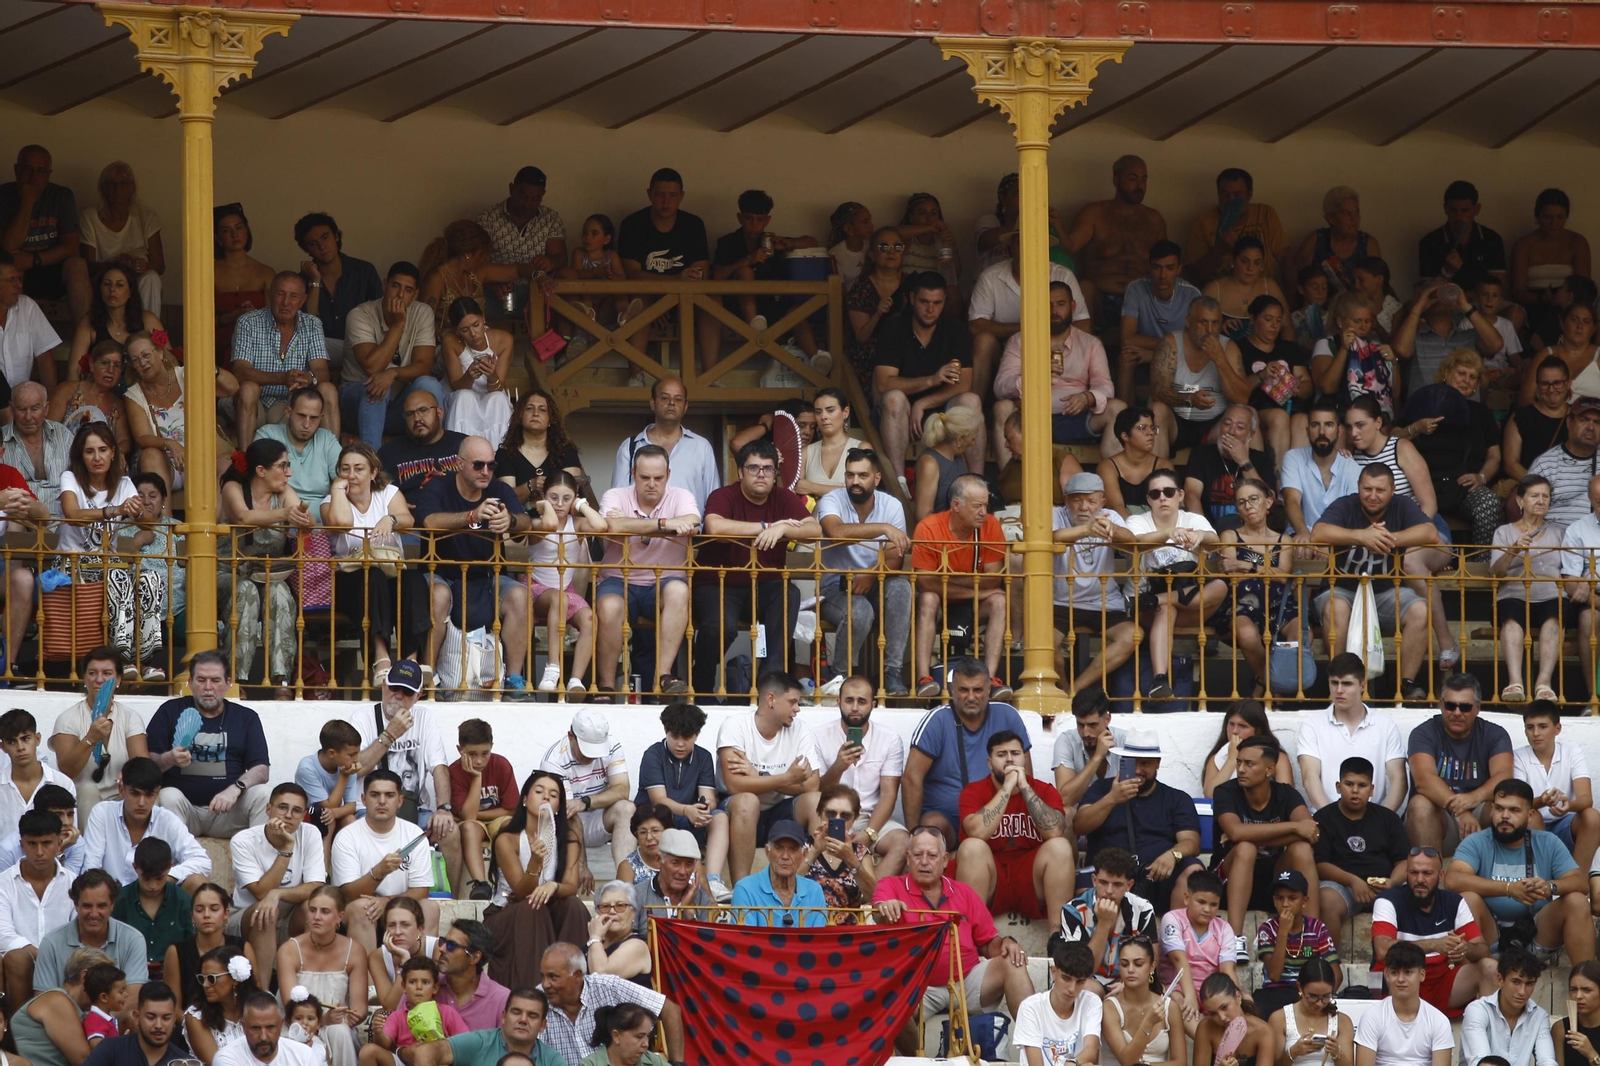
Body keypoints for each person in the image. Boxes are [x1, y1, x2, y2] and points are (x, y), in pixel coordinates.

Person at [873, 827, 1036, 1055]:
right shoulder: (891, 886)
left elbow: (989, 943)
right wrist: (885, 907)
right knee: (888, 1000)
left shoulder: (964, 892)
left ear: (945, 859)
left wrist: (1006, 942)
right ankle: (920, 1061)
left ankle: (1039, 1051)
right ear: (908, 858)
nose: (924, 862)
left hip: (966, 980)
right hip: (917, 985)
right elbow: (879, 911)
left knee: (1013, 961)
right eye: (918, 855)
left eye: (932, 855)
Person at [692, 441, 820, 698]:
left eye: (768, 469)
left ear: (775, 474)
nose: (761, 474)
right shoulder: (723, 495)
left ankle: (769, 682)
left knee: (789, 593)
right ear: (740, 472)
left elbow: (814, 530)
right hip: (720, 582)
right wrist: (767, 526)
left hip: (764, 586)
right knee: (721, 628)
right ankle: (702, 683)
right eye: (753, 468)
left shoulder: (784, 497)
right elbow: (715, 527)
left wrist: (783, 529)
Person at [415, 436, 534, 697]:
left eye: (492, 466)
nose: (487, 472)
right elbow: (429, 521)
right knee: (439, 595)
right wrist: (472, 516)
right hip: (441, 575)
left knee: (519, 595)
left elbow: (526, 522)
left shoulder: (499, 490)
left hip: (487, 577)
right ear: (459, 464)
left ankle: (514, 678)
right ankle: (428, 675)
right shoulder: (438, 487)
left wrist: (510, 520)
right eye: (479, 465)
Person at [1311, 464, 1435, 701]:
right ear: (1358, 487)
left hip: (1384, 592)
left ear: (1393, 490)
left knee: (1421, 610)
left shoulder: (1402, 505)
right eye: (1367, 489)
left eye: (1380, 490)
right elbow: (1318, 533)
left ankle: (1405, 685)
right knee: (1336, 607)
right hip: (1342, 589)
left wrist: (1387, 538)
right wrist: (1361, 536)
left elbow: (1430, 533)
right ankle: (1341, 683)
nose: (1373, 495)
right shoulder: (1346, 504)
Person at [1447, 778, 1593, 963]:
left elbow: (1579, 881)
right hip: (1490, 937)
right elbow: (1453, 880)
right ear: (1492, 810)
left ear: (1530, 815)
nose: (1505, 816)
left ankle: (1587, 983)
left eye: (1514, 810)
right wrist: (1509, 888)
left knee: (1577, 901)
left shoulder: (1547, 841)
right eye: (1499, 808)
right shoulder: (1476, 841)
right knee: (1467, 898)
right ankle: (1468, 984)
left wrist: (1550, 887)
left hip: (1536, 933)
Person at [58, 421, 161, 669]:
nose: (97, 457)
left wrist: (137, 511)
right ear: (80, 456)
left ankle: (143, 657)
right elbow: (71, 512)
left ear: (113, 452)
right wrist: (115, 509)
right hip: (73, 563)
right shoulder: (70, 477)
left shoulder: (124, 483)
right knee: (119, 575)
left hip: (109, 564)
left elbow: (148, 525)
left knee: (152, 578)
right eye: (89, 451)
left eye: (103, 450)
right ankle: (121, 657)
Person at [322, 444, 428, 683]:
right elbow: (341, 522)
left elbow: (407, 519)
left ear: (373, 472)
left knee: (414, 580)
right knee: (373, 577)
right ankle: (381, 657)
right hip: (351, 581)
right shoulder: (331, 501)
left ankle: (412, 660)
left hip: (390, 573)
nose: (351, 475)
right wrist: (338, 489)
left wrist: (389, 519)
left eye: (359, 469)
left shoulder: (388, 493)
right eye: (345, 469)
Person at [815, 448, 911, 695]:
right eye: (850, 475)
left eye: (862, 475)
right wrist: (884, 528)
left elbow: (895, 560)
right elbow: (836, 532)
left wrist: (870, 573)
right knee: (860, 610)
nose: (854, 482)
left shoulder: (891, 505)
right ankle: (841, 678)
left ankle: (893, 673)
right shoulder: (832, 500)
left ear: (877, 479)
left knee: (901, 587)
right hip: (835, 589)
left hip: (875, 581)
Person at [1073, 730, 1202, 912]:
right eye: (1132, 762)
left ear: (1157, 763)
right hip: (1110, 876)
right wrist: (1112, 798)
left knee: (1193, 870)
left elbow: (1192, 842)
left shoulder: (1176, 798)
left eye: (1145, 764)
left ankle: (1175, 934)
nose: (1138, 770)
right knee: (1087, 883)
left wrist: (1173, 855)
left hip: (1156, 877)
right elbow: (1079, 826)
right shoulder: (1103, 788)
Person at [992, 281, 1121, 463]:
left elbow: (1105, 386)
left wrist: (1086, 398)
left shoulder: (1090, 343)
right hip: (1029, 417)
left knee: (1117, 408)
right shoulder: (1019, 341)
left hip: (1075, 418)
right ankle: (1008, 481)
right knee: (1002, 407)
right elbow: (1001, 386)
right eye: (1048, 305)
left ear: (1072, 306)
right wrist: (1035, 374)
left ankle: (1111, 482)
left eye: (1061, 304)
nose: (1054, 311)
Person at [904, 657, 1030, 844]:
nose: (971, 697)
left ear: (989, 689)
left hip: (997, 816)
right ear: (953, 690)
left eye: (978, 690)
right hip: (949, 821)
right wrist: (914, 836)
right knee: (931, 825)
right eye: (964, 690)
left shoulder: (1008, 716)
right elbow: (911, 779)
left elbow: (1025, 776)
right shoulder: (936, 721)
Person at [145, 650, 270, 837]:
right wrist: (169, 758)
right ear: (190, 683)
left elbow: (261, 769)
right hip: (185, 811)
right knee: (167, 795)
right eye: (201, 680)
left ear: (228, 683)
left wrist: (236, 789)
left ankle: (257, 863)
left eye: (216, 680)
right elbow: (147, 764)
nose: (208, 687)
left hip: (228, 812)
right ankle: (173, 864)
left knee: (263, 794)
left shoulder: (246, 718)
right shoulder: (170, 711)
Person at [956, 731, 1073, 932]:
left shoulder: (1044, 790)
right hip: (990, 877)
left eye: (1015, 753)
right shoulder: (973, 791)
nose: (1010, 759)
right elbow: (977, 833)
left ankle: (1058, 938)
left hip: (1031, 878)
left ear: (1024, 759)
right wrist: (1008, 786)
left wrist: (1024, 786)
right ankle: (970, 938)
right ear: (989, 763)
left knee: (1060, 847)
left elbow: (1054, 831)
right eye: (1001, 755)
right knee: (972, 847)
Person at [873, 271, 983, 486]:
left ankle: (977, 480)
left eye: (937, 303)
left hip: (942, 413)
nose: (931, 309)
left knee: (971, 400)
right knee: (894, 397)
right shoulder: (894, 328)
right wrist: (931, 380)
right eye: (924, 302)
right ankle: (899, 482)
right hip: (898, 416)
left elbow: (965, 383)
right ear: (912, 299)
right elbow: (884, 383)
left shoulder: (954, 330)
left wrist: (924, 402)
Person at [482, 773, 587, 991]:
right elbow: (521, 893)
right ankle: (535, 992)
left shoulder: (568, 840)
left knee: (574, 905)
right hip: (507, 913)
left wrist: (553, 886)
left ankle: (575, 985)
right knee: (533, 906)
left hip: (544, 909)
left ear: (559, 806)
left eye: (553, 794)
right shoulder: (507, 838)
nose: (545, 797)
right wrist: (535, 862)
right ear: (524, 799)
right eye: (539, 791)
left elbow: (571, 885)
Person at [215, 439, 306, 691]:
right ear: (261, 471)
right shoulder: (233, 487)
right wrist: (286, 515)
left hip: (270, 576)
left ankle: (282, 680)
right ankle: (236, 679)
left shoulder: (284, 492)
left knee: (281, 594)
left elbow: (300, 514)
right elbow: (243, 516)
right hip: (228, 572)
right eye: (283, 466)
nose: (289, 472)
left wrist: (302, 518)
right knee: (246, 591)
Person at [911, 473, 1011, 697]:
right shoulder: (929, 528)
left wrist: (947, 578)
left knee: (999, 600)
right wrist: (976, 588)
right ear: (956, 505)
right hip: (939, 603)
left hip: (973, 603)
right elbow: (925, 582)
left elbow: (994, 578)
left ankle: (990, 680)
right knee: (928, 598)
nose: (983, 512)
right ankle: (923, 678)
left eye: (985, 505)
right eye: (977, 506)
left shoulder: (991, 525)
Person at [715, 670, 819, 881]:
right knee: (747, 800)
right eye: (792, 702)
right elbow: (735, 785)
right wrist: (787, 778)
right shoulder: (735, 726)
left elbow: (812, 786)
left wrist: (758, 775)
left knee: (815, 801)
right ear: (771, 699)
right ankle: (741, 889)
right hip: (737, 810)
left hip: (780, 810)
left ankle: (818, 884)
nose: (797, 709)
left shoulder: (800, 730)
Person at [702, 189, 824, 368]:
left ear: (767, 220)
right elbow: (717, 275)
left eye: (760, 220)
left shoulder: (771, 242)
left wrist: (790, 243)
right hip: (735, 311)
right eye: (749, 218)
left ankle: (816, 359)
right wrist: (748, 260)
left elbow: (813, 242)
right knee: (745, 272)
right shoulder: (728, 242)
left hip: (770, 307)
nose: (754, 225)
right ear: (739, 218)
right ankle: (754, 327)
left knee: (797, 310)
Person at [1050, 470, 1136, 720]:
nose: (1084, 506)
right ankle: (1064, 688)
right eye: (1076, 500)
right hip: (1060, 603)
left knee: (1132, 636)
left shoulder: (1110, 517)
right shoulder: (1055, 514)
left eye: (1091, 500)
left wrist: (1113, 530)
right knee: (1044, 644)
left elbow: (1131, 540)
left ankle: (1074, 692)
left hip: (1103, 602)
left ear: (1102, 503)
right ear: (1066, 501)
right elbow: (1051, 537)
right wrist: (1087, 529)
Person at [1211, 735, 1318, 935]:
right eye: (1239, 762)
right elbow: (1236, 831)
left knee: (1301, 849)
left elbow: (1310, 831)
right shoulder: (1225, 792)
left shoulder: (1286, 794)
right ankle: (1234, 939)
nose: (1241, 769)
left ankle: (1312, 934)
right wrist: (1294, 828)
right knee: (1245, 848)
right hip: (1228, 882)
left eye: (1249, 764)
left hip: (1275, 882)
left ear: (1270, 769)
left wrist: (1246, 833)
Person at [969, 236, 1093, 404]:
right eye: (1021, 242)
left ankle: (1070, 404)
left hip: (1054, 347)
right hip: (1007, 351)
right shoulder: (991, 276)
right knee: (983, 341)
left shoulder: (1061, 274)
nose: (1028, 248)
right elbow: (976, 326)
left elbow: (1083, 324)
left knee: (1089, 343)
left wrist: (1048, 338)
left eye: (1035, 242)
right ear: (1011, 246)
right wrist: (1029, 330)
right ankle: (973, 410)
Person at [1372, 847, 1495, 1016]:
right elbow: (1382, 950)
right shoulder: (1388, 900)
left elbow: (1483, 949)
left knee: (1489, 967)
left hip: (1441, 984)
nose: (1420, 879)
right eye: (1414, 873)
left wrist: (1465, 948)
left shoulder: (1454, 901)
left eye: (1427, 873)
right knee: (1403, 974)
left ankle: (1488, 1034)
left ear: (1441, 876)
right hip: (1399, 983)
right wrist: (1434, 945)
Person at [807, 675, 910, 877]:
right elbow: (815, 791)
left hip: (872, 817)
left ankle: (869, 898)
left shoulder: (889, 740)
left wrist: (870, 833)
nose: (855, 707)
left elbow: (889, 794)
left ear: (872, 704)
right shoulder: (818, 736)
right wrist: (839, 766)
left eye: (862, 701)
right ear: (839, 702)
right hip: (832, 815)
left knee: (903, 841)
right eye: (849, 700)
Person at [339, 262, 444, 449]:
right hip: (356, 405)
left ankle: (436, 453)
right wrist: (397, 325)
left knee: (429, 384)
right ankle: (373, 466)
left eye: (408, 290)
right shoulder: (360, 314)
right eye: (396, 286)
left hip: (399, 409)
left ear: (416, 294)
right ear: (385, 284)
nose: (400, 295)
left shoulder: (422, 312)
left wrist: (393, 374)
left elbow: (424, 365)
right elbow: (372, 367)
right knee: (378, 387)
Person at [330, 771, 439, 952]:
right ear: (364, 800)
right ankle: (368, 979)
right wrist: (377, 873)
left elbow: (421, 891)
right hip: (361, 910)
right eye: (375, 795)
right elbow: (347, 894)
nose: (382, 801)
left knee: (430, 907)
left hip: (400, 904)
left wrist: (387, 902)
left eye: (389, 795)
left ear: (400, 801)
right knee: (362, 908)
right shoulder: (347, 837)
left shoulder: (414, 834)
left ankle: (423, 974)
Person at [230, 784, 326, 988]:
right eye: (282, 807)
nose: (288, 815)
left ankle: (309, 988)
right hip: (246, 916)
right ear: (268, 809)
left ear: (302, 816)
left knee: (315, 905)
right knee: (267, 911)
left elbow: (316, 887)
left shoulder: (310, 834)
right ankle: (262, 993)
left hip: (290, 916)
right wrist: (286, 849)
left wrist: (278, 894)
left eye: (297, 810)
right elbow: (261, 893)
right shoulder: (244, 840)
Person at [1406, 675, 1515, 852]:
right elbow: (1424, 781)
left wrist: (1473, 798)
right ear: (1441, 705)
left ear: (1477, 708)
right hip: (1442, 816)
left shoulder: (1495, 734)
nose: (1457, 712)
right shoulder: (1423, 733)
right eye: (1450, 706)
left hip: (1480, 815)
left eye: (1465, 707)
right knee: (1420, 805)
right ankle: (1430, 875)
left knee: (1511, 807)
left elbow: (1504, 778)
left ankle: (1510, 876)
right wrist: (1460, 811)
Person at [532, 943, 681, 1066]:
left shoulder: (609, 987)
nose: (545, 984)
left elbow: (670, 1010)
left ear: (577, 975)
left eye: (553, 977)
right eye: (543, 976)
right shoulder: (536, 1002)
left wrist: (676, 1063)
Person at [1314, 757, 1411, 945]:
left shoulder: (1388, 819)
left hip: (1383, 887)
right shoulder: (1324, 818)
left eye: (1362, 785)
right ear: (1338, 786)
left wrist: (1392, 882)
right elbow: (1320, 865)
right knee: (1326, 899)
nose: (1355, 791)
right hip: (1342, 886)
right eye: (1349, 784)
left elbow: (1403, 862)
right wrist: (1353, 881)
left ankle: (1403, 963)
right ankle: (1328, 964)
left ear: (1371, 789)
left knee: (1415, 897)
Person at [231, 271, 337, 443]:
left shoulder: (312, 324)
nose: (286, 302)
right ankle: (245, 462)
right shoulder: (248, 322)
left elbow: (321, 370)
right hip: (249, 403)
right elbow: (240, 372)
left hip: (287, 405)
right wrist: (282, 377)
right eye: (280, 294)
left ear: (303, 300)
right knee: (249, 388)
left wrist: (309, 378)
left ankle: (334, 462)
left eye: (294, 296)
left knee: (328, 389)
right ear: (270, 295)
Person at [1063, 155, 1167, 329]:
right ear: (1115, 180)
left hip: (1140, 298)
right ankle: (1085, 352)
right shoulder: (1094, 213)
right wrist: (1056, 223)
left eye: (1144, 179)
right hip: (1099, 297)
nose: (1139, 186)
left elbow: (1167, 263)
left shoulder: (1154, 219)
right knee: (1085, 287)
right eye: (1132, 179)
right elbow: (1071, 246)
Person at [632, 705, 727, 893]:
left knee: (720, 817)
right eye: (675, 737)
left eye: (687, 737)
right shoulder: (653, 754)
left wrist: (703, 810)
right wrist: (687, 810)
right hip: (659, 818)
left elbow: (709, 798)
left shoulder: (704, 757)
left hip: (690, 820)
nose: (681, 744)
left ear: (697, 734)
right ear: (666, 731)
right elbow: (659, 800)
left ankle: (713, 880)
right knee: (660, 817)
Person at [1295, 653, 1407, 810]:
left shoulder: (1386, 726)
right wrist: (1332, 820)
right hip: (1326, 820)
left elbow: (1400, 780)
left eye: (1347, 684)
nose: (1339, 690)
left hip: (1375, 822)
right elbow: (1309, 776)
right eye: (1334, 683)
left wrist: (1381, 822)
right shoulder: (1312, 725)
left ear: (1363, 685)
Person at [82, 757, 209, 892]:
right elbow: (91, 867)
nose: (142, 802)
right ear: (121, 789)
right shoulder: (103, 813)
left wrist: (166, 876)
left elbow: (202, 860)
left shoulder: (167, 820)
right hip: (112, 901)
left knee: (198, 882)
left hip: (156, 899)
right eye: (135, 794)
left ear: (157, 793)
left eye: (149, 795)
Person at [537, 709, 636, 883]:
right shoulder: (553, 761)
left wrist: (586, 802)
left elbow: (622, 790)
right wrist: (582, 865)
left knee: (627, 808)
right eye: (586, 749)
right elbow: (568, 814)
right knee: (568, 812)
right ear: (570, 736)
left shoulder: (612, 745)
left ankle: (625, 882)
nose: (591, 756)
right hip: (565, 826)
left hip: (596, 817)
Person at [1, 145, 90, 329]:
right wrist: (28, 202)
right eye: (28, 169)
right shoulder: (3, 195)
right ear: (17, 170)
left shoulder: (61, 196)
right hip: (15, 272)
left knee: (77, 264)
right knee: (12, 267)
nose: (33, 177)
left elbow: (72, 247)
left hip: (49, 269)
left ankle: (86, 342)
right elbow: (9, 248)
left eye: (40, 171)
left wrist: (34, 260)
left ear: (49, 174)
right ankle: (13, 344)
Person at [1148, 298, 1249, 459]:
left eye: (1215, 323)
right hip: (1176, 425)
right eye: (1203, 322)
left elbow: (1242, 399)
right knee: (1157, 409)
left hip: (1215, 427)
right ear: (1188, 321)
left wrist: (1220, 360)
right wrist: (1188, 399)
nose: (1209, 330)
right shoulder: (1170, 343)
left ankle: (1250, 480)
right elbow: (1157, 392)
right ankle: (1158, 479)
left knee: (1249, 415)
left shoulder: (1228, 347)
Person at [1494, 477, 1565, 703]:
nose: (1541, 501)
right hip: (1514, 594)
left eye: (1545, 496)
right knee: (1511, 614)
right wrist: (1514, 549)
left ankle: (1544, 684)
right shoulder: (1504, 532)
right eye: (1534, 496)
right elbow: (1495, 573)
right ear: (1519, 501)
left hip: (1551, 595)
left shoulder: (1560, 533)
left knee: (1555, 615)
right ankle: (1515, 683)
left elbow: (1570, 567)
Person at [609, 377, 719, 513]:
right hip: (640, 532)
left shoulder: (702, 447)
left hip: (689, 531)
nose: (672, 403)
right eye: (665, 398)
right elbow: (617, 499)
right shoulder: (630, 447)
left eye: (678, 399)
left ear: (686, 406)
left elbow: (714, 500)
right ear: (653, 403)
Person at [1056, 847, 1158, 992]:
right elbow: (1081, 970)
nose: (1109, 891)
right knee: (1090, 990)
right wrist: (1104, 923)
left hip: (1128, 979)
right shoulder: (1072, 911)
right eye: (1103, 882)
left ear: (1129, 885)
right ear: (1094, 880)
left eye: (1117, 884)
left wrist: (1126, 984)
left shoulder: (1143, 909)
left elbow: (1151, 961)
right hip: (1087, 980)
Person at [0, 808, 74, 1007]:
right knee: (17, 958)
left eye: (46, 843)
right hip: (21, 966)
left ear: (59, 843)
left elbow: (79, 932)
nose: (39, 852)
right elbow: (4, 935)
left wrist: (55, 960)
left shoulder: (74, 884)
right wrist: (42, 956)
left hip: (65, 965)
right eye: (32, 844)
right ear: (21, 844)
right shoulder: (3, 883)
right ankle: (20, 1032)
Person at [1516, 702, 1600, 870]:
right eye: (1530, 727)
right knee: (1532, 817)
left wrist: (1569, 805)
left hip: (1565, 823)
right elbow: (1518, 804)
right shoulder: (1519, 756)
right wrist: (1542, 800)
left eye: (1542, 726)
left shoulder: (1572, 752)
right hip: (1531, 825)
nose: (1536, 733)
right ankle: (1541, 881)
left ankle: (1578, 882)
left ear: (1557, 728)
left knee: (1591, 816)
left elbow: (1586, 799)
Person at [36, 870, 147, 996]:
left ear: (112, 905)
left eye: (101, 906)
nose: (94, 914)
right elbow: (44, 1002)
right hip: (63, 1015)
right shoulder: (51, 944)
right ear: (76, 905)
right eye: (87, 906)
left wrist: (95, 1016)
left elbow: (132, 999)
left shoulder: (133, 940)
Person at [1120, 241, 1204, 404]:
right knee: (1126, 356)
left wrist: (1156, 355)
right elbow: (1127, 339)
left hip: (1178, 358)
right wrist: (1164, 349)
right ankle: (1124, 415)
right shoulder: (1136, 288)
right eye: (1157, 267)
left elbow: (1195, 346)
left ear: (1179, 269)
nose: (1163, 275)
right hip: (1154, 352)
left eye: (1170, 268)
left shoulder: (1192, 295)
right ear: (1149, 267)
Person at [447, 720, 520, 904]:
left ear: (492, 747)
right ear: (459, 749)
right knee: (469, 828)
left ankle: (512, 883)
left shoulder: (501, 764)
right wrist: (476, 777)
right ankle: (481, 884)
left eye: (485, 753)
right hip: (474, 825)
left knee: (509, 826)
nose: (479, 761)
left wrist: (471, 815)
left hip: (497, 818)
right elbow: (469, 819)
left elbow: (512, 809)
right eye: (472, 754)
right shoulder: (454, 772)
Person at [1158, 871, 1239, 1034]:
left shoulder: (1224, 928)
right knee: (1180, 1004)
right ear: (1187, 898)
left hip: (1212, 991)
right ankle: (1213, 1047)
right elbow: (1179, 959)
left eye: (1214, 904)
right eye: (1201, 902)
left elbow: (1227, 970)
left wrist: (1237, 999)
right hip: (1179, 988)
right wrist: (1190, 997)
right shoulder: (1172, 919)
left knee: (1242, 1000)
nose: (1207, 909)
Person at [397, 989, 563, 1066]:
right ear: (504, 1016)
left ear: (543, 1025)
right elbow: (425, 1052)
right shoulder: (479, 1043)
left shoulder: (552, 1060)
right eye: (516, 1012)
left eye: (532, 1016)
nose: (523, 1020)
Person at [1254, 870, 1341, 1018]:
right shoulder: (1267, 929)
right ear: (1274, 901)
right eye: (1280, 898)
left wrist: (1322, 998)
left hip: (1310, 994)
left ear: (1304, 901)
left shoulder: (1317, 928)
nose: (1285, 904)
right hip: (1275, 993)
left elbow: (1336, 974)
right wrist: (1283, 931)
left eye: (1292, 898)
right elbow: (1274, 975)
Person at [476, 166, 566, 304]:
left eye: (535, 199)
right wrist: (492, 282)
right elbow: (476, 262)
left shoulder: (550, 219)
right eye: (522, 196)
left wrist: (551, 262)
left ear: (543, 195)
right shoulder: (488, 218)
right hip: (497, 293)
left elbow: (561, 257)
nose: (527, 204)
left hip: (538, 292)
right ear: (511, 189)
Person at [1185, 167, 1290, 283]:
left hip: (1262, 290)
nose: (1231, 200)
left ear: (1249, 194)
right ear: (1218, 194)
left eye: (1237, 194)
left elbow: (1287, 260)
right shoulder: (1201, 224)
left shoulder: (1265, 214)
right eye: (1225, 194)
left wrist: (1289, 297)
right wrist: (1219, 249)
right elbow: (1193, 277)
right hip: (1221, 293)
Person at [14, 946, 114, 1066]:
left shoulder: (79, 1010)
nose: (108, 991)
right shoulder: (56, 1001)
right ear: (85, 977)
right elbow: (85, 1061)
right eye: (106, 982)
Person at [109, 838, 189, 989]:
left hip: (176, 977)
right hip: (129, 978)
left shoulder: (182, 900)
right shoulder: (121, 901)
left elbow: (191, 945)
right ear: (135, 868)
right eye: (146, 878)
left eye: (160, 878)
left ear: (170, 867)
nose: (153, 886)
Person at [1358, 944, 1456, 1066]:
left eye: (1408, 972)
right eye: (1394, 972)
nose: (1400, 979)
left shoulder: (1439, 1021)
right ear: (1387, 974)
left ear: (1422, 975)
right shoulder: (1372, 1017)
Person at [1393, 281, 1505, 387]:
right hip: (1427, 406)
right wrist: (1418, 306)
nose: (1440, 297)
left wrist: (1465, 305)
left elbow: (1496, 345)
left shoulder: (1468, 336)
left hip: (1463, 406)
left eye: (1446, 292)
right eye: (1434, 295)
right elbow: (1401, 350)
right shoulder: (1413, 338)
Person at [843, 226, 913, 395]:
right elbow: (861, 337)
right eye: (883, 247)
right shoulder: (861, 288)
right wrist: (878, 314)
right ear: (872, 255)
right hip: (872, 353)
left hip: (908, 347)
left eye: (897, 247)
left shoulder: (913, 283)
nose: (891, 252)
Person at [161, 883, 250, 1013]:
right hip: (189, 1027)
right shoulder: (176, 952)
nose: (206, 915)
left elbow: (252, 995)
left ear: (226, 914)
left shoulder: (242, 948)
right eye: (199, 910)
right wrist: (194, 1027)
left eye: (214, 909)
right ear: (192, 916)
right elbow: (174, 1007)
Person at [1460, 947, 1556, 1066]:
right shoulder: (1478, 1010)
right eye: (1516, 982)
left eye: (1529, 984)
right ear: (1500, 979)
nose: (1522, 991)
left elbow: (1547, 1061)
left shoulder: (1539, 1016)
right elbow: (1481, 1063)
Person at [495, 389, 584, 515]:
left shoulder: (566, 451)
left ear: (550, 419)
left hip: (558, 523)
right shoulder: (505, 453)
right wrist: (531, 486)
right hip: (519, 525)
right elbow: (507, 499)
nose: (535, 413)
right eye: (529, 408)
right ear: (519, 416)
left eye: (542, 410)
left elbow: (571, 494)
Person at [1310, 292, 1398, 419]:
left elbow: (1394, 394)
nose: (1363, 326)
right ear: (1340, 321)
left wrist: (1393, 362)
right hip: (1337, 417)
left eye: (1367, 321)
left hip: (1374, 417)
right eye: (1357, 321)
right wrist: (1344, 349)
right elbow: (1327, 387)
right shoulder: (1327, 344)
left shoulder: (1376, 347)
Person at [252, 390, 343, 513]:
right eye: (301, 415)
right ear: (288, 412)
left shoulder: (327, 440)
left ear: (321, 418)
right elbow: (257, 480)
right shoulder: (268, 434)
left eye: (314, 418)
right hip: (279, 520)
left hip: (323, 523)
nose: (306, 424)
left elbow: (344, 477)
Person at [1013, 940, 1101, 1066]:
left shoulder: (1091, 1002)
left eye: (1080, 982)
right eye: (1066, 978)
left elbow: (1091, 1050)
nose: (1072, 988)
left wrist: (1072, 1062)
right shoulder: (1031, 1007)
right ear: (1054, 972)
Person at [1102, 936, 1187, 1066]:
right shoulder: (1110, 1007)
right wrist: (1148, 1023)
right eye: (1124, 964)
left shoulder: (1170, 1007)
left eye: (1138, 964)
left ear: (1152, 966)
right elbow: (1127, 1061)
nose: (1130, 969)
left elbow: (1181, 1062)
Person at [438, 300, 512, 443]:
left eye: (476, 325)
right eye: (464, 330)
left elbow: (497, 387)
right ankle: (460, 454)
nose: (473, 333)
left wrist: (491, 375)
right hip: (461, 396)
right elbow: (456, 386)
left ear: (483, 318)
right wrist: (469, 376)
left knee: (499, 399)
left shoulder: (504, 340)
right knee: (464, 397)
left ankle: (499, 454)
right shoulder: (450, 341)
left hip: (490, 395)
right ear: (456, 331)